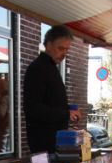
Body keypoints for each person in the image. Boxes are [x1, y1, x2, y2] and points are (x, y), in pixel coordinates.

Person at [23, 25, 80, 154]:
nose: (64, 53)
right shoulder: (38, 68)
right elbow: (33, 108)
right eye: (61, 48)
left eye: (67, 49)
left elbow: (51, 102)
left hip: (54, 144)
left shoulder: (51, 67)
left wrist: (70, 110)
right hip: (44, 145)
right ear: (48, 45)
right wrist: (66, 114)